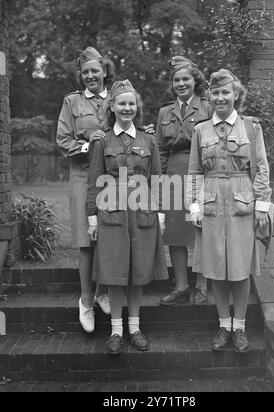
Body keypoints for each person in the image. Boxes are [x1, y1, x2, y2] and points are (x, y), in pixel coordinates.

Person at [187, 69, 271, 353]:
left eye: (226, 92)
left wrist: (261, 206)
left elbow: (260, 169)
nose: (220, 97)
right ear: (208, 96)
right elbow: (194, 171)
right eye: (215, 92)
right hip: (211, 204)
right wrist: (194, 206)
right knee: (215, 269)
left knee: (240, 269)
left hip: (241, 204)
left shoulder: (251, 128)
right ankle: (224, 325)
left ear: (236, 95)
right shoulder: (200, 130)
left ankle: (240, 326)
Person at [86, 79, 168, 355]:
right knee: (115, 273)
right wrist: (92, 219)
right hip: (111, 210)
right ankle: (116, 330)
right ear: (112, 106)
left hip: (143, 209)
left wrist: (161, 213)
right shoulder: (102, 140)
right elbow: (94, 181)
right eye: (122, 103)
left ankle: (134, 328)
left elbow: (157, 178)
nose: (127, 108)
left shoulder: (148, 140)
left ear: (138, 107)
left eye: (132, 103)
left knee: (138, 271)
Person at [57, 47, 113, 334]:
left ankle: (104, 291)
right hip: (81, 174)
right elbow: (63, 138)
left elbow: (131, 122)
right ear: (81, 75)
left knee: (108, 235)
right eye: (85, 72)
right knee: (85, 239)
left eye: (95, 70)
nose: (90, 75)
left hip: (111, 178)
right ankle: (86, 300)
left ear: (105, 71)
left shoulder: (116, 98)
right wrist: (86, 143)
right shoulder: (72, 102)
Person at [156, 56, 212, 306]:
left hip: (201, 172)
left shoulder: (208, 106)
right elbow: (160, 149)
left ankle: (202, 285)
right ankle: (181, 285)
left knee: (201, 229)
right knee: (176, 231)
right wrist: (161, 181)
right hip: (174, 174)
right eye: (176, 80)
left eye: (185, 79)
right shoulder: (164, 111)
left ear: (195, 80)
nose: (181, 83)